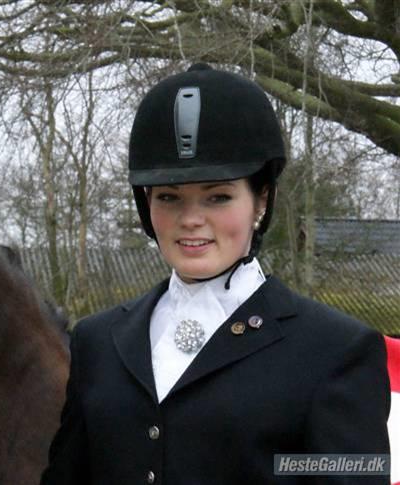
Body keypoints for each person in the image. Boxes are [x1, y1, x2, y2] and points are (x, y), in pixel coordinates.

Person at [41, 64, 391, 484]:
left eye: (218, 197)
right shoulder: (97, 342)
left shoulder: (336, 351)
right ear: (146, 204)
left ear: (261, 200)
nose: (191, 220)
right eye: (169, 197)